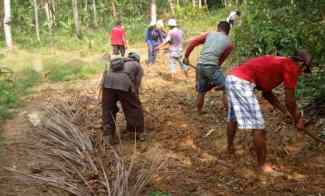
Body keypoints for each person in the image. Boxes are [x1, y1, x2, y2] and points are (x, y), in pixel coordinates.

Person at [225, 49, 312, 173]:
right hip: (242, 83)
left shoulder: (281, 63)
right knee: (259, 128)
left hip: (233, 78)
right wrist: (298, 118)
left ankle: (229, 148)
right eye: (304, 70)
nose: (302, 73)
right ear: (301, 64)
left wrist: (285, 112)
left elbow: (267, 94)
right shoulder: (291, 67)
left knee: (233, 117)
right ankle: (262, 166)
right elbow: (290, 101)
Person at [183, 21, 234, 113]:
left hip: (200, 65)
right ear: (228, 31)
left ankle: (199, 111)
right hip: (211, 66)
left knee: (201, 90)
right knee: (227, 87)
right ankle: (229, 113)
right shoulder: (229, 43)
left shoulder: (209, 34)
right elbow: (221, 59)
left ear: (218, 28)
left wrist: (186, 56)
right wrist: (213, 72)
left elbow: (193, 42)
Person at [102, 52, 144, 145]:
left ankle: (107, 136)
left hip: (107, 82)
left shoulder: (119, 62)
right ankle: (136, 132)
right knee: (134, 107)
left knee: (108, 109)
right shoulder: (137, 65)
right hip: (123, 82)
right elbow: (136, 85)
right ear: (137, 60)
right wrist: (135, 100)